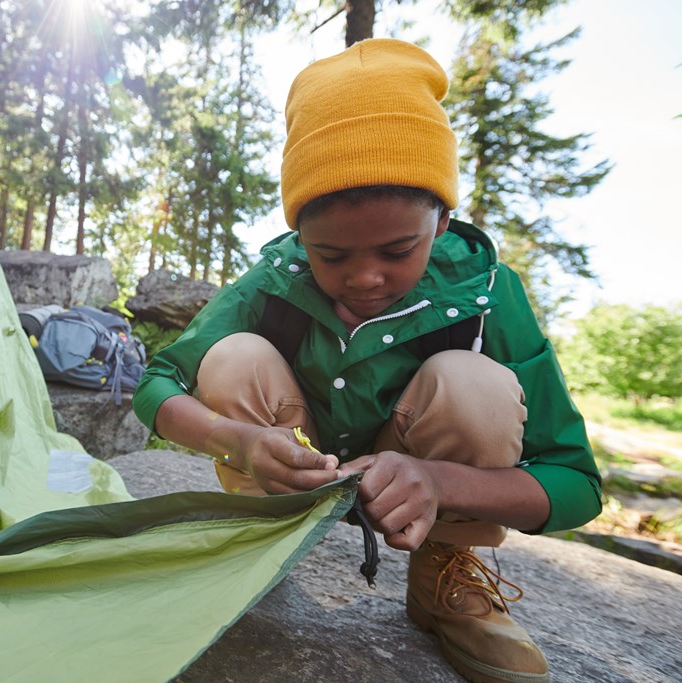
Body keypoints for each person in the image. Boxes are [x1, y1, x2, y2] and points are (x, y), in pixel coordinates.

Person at [132, 38, 602, 683]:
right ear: (300, 235)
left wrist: (440, 484)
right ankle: (259, 543)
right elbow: (158, 384)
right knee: (234, 355)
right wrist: (239, 440)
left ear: (442, 219)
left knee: (472, 384)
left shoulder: (487, 295)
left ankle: (445, 570)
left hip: (428, 496)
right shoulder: (273, 279)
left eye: (397, 248)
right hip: (295, 471)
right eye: (331, 255)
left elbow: (575, 483)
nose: (366, 278)